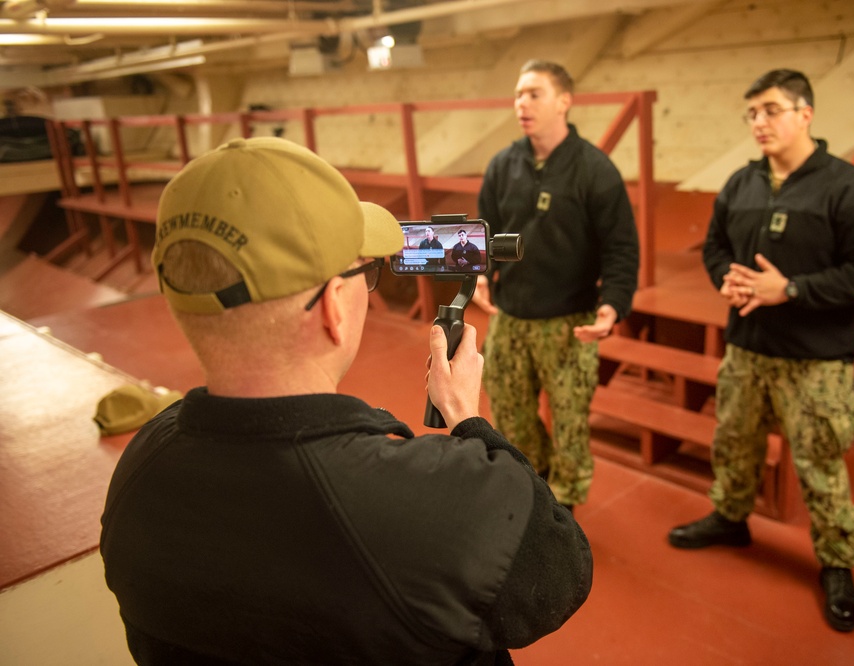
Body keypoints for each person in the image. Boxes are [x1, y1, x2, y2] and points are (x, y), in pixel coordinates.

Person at [100, 137, 593, 665]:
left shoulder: (139, 470)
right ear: (335, 306)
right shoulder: (434, 502)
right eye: (365, 270)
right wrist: (468, 420)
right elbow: (559, 571)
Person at [667, 69, 854, 633]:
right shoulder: (741, 184)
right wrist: (727, 279)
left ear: (805, 114)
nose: (759, 123)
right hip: (747, 347)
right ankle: (730, 517)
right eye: (751, 114)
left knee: (819, 462)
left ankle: (837, 563)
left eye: (770, 110)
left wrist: (790, 289)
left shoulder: (849, 187)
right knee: (734, 443)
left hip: (815, 357)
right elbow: (716, 246)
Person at [475, 60, 639, 512]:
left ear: (564, 101)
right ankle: (533, 482)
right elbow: (484, 230)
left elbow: (621, 248)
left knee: (569, 423)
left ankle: (564, 507)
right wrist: (482, 273)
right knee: (509, 414)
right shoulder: (503, 165)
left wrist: (613, 306)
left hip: (570, 321)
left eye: (533, 94)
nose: (521, 104)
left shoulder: (594, 170)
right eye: (517, 95)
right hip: (511, 317)